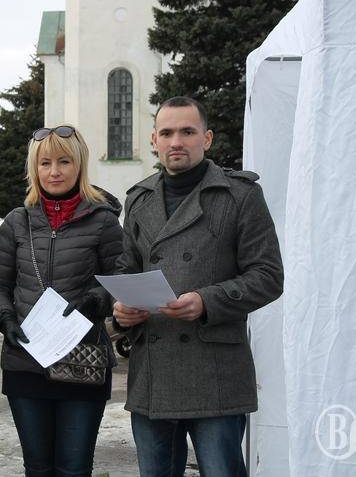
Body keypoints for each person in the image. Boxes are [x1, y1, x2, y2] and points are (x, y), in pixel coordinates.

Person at [109, 97, 284, 476]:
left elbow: (268, 275)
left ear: (207, 138)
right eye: (167, 133)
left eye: (187, 132)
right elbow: (127, 271)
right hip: (153, 375)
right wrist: (121, 311)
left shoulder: (240, 195)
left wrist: (207, 301)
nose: (176, 142)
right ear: (154, 140)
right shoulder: (138, 200)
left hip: (215, 373)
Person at [0, 125, 124, 477]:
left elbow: (122, 280)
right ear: (34, 168)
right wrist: (4, 318)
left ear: (79, 164)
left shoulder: (103, 222)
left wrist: (96, 300)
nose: (54, 171)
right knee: (38, 468)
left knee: (74, 469)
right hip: (26, 363)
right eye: (45, 163)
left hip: (83, 362)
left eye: (64, 161)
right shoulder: (17, 222)